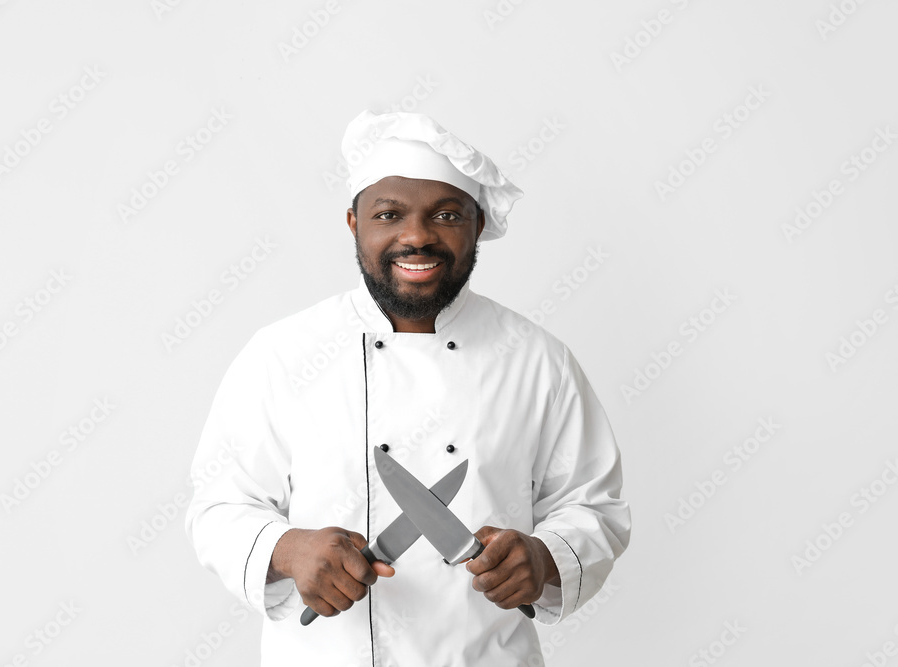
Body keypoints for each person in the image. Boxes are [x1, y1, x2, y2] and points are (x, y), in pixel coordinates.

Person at [185, 109, 631, 666]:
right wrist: (288, 548)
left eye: (446, 214)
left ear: (477, 224)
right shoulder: (283, 354)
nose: (416, 236)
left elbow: (593, 506)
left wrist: (544, 558)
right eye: (389, 213)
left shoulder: (539, 361)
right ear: (354, 222)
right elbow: (219, 504)